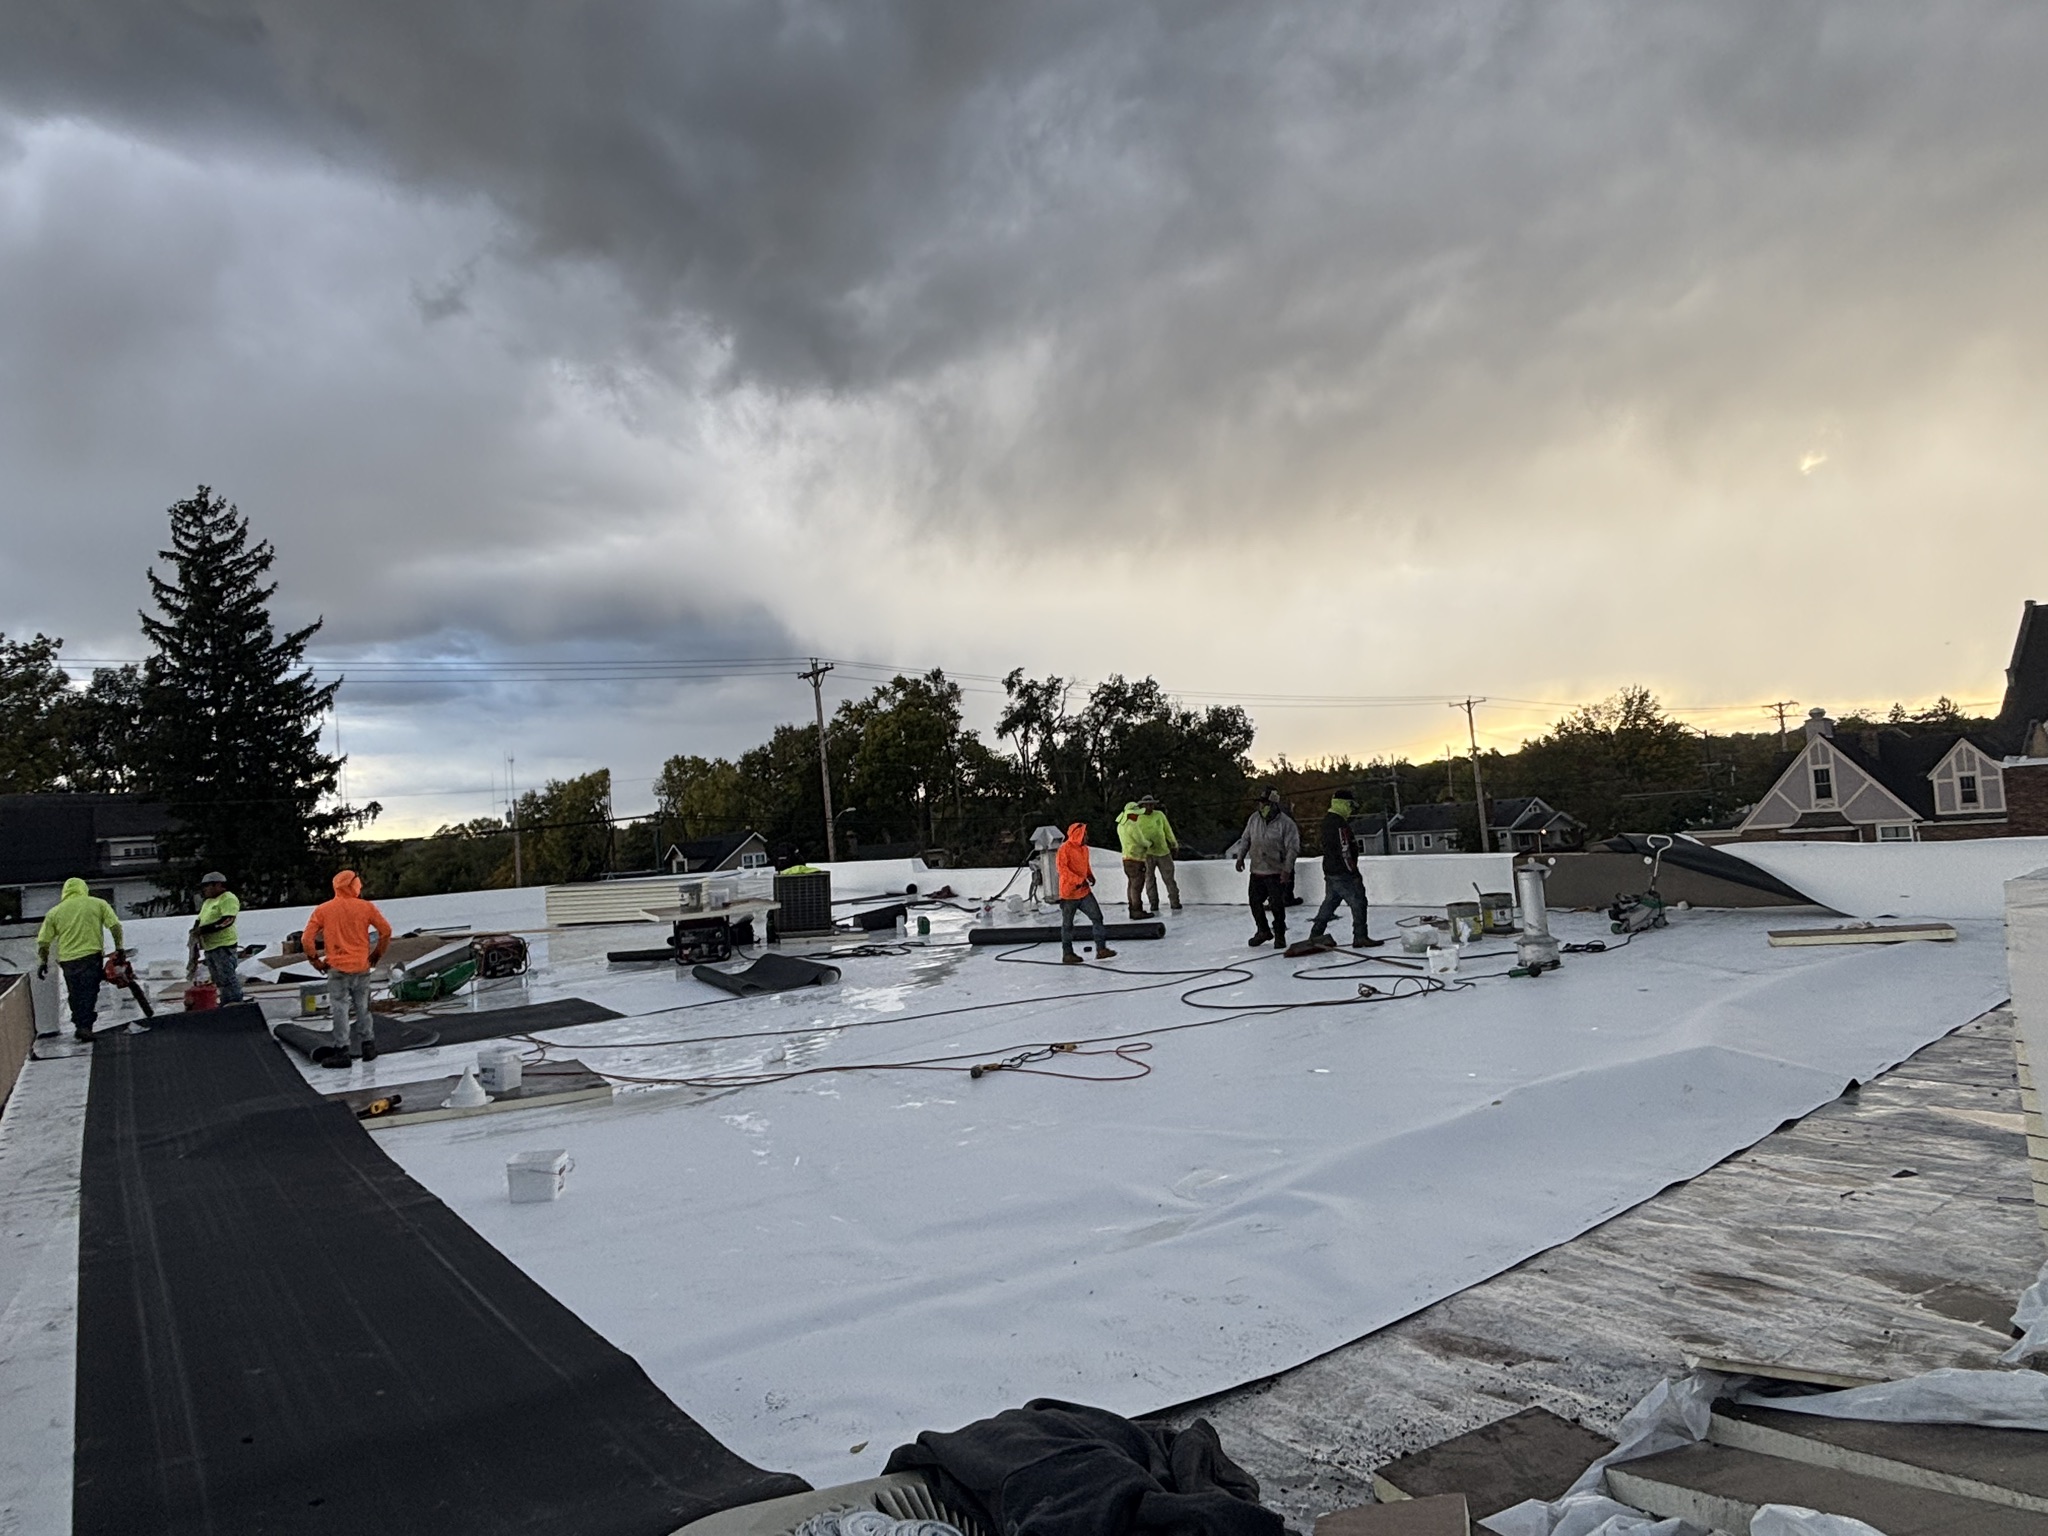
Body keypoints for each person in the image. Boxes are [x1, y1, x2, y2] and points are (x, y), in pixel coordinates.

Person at [300, 869, 393, 1065]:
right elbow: (386, 931)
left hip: (337, 968)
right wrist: (377, 954)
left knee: (340, 1009)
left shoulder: (323, 910)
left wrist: (315, 961)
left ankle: (342, 1051)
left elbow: (306, 939)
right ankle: (368, 1046)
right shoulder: (366, 907)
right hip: (361, 966)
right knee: (363, 1007)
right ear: (353, 885)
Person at [35, 878, 127, 1041]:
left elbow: (43, 941)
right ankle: (84, 1026)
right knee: (89, 992)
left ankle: (80, 1024)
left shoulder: (55, 912)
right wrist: (119, 947)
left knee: (75, 992)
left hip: (68, 960)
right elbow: (115, 926)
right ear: (84, 889)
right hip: (90, 956)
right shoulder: (98, 904)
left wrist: (43, 961)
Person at [1225, 789, 1301, 947]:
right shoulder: (1254, 819)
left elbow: (1292, 849)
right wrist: (1240, 857)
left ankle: (1280, 935)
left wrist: (1287, 869)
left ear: (1273, 804)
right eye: (1260, 802)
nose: (1262, 805)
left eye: (1265, 803)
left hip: (1276, 871)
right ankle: (1263, 930)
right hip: (1257, 869)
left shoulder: (1286, 824)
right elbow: (1245, 839)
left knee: (1277, 905)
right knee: (1254, 902)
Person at [1308, 789, 1382, 949]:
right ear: (1343, 804)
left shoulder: (1327, 821)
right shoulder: (1339, 824)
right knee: (1359, 902)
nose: (1351, 810)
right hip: (1343, 872)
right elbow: (1345, 850)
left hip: (1330, 870)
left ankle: (1315, 935)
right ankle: (1360, 937)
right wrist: (1353, 872)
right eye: (1350, 805)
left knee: (1330, 903)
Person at [1056, 822, 1119, 966]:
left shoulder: (1084, 849)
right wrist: (1078, 881)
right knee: (1067, 925)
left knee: (1097, 917)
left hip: (1084, 892)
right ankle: (1067, 953)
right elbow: (1063, 870)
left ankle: (1101, 949)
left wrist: (1090, 876)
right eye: (1085, 834)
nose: (1087, 836)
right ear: (1078, 835)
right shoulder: (1064, 850)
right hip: (1069, 894)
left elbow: (1085, 865)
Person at [189, 871, 245, 1003]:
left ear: (218, 885)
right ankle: (226, 1001)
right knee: (218, 979)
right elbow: (200, 919)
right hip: (210, 946)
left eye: (207, 886)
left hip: (223, 945)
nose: (205, 889)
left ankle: (235, 1002)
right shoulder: (208, 902)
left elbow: (228, 920)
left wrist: (205, 930)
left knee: (227, 977)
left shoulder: (227, 898)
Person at [1134, 794, 1182, 914]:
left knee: (1169, 878)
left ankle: (1175, 902)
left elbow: (1167, 830)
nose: (1149, 807)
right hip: (1146, 854)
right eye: (1147, 805)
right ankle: (1153, 903)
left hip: (1163, 852)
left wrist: (1174, 844)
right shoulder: (1137, 818)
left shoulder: (1159, 815)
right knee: (1149, 879)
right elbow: (1134, 835)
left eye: (1151, 804)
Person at [1116, 801, 1151, 920]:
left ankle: (1132, 908)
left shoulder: (1121, 824)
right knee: (1137, 886)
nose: (1138, 816)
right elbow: (1141, 841)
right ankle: (1137, 910)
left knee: (1131, 885)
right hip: (1136, 859)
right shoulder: (1132, 825)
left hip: (1126, 859)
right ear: (1131, 814)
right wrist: (1149, 844)